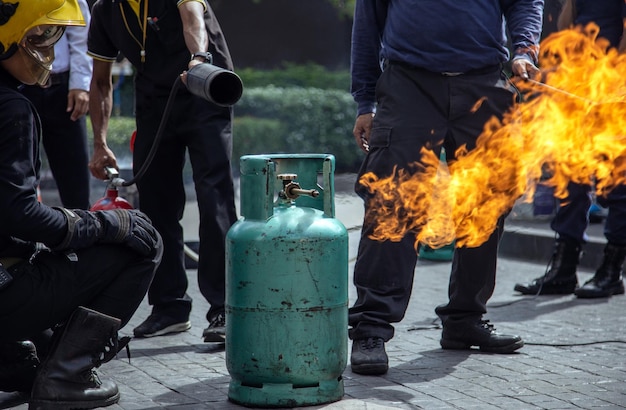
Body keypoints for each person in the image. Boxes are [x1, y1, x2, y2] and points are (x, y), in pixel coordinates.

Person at [348, 0, 544, 375]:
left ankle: (464, 318)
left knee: (488, 203)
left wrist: (523, 49)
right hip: (409, 85)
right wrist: (364, 101)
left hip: (485, 82)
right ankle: (370, 328)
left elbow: (524, 2)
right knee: (393, 202)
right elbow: (367, 24)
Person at [0, 0, 162, 408]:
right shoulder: (12, 109)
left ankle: (15, 357)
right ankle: (66, 376)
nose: (49, 54)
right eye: (37, 38)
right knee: (144, 241)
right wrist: (106, 225)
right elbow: (18, 213)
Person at [87, 0, 238, 342]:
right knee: (155, 202)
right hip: (155, 96)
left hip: (203, 86)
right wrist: (100, 142)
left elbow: (192, 19)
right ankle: (169, 306)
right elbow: (100, 82)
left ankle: (224, 309)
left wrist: (198, 57)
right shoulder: (104, 11)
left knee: (213, 197)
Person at [514, 0, 626, 299]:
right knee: (569, 176)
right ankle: (564, 270)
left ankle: (611, 271)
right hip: (577, 85)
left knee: (617, 183)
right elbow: (566, 27)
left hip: (612, 87)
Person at [20, 0, 92, 210]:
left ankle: (80, 239)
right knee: (20, 175)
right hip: (21, 88)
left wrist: (80, 85)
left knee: (75, 181)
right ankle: (21, 240)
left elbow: (81, 32)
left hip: (63, 89)